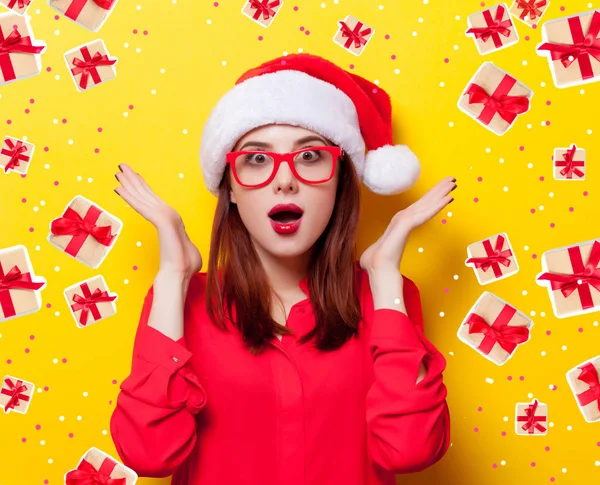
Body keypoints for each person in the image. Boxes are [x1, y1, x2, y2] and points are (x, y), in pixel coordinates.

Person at [110, 53, 454, 485]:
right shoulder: (184, 303)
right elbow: (149, 456)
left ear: (340, 180)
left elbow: (410, 451)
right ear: (230, 187)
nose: (284, 180)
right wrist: (172, 278)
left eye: (310, 156)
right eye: (256, 160)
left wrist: (384, 277)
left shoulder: (384, 298)